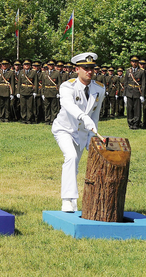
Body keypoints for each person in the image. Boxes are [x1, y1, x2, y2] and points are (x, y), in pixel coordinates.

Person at [51, 52, 105, 212]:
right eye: (86, 68)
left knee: (74, 166)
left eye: (92, 68)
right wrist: (83, 116)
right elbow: (69, 106)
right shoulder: (68, 86)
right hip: (64, 129)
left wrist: (91, 135)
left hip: (82, 133)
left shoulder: (99, 89)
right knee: (71, 157)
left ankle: (73, 202)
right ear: (77, 69)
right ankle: (67, 200)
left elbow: (95, 114)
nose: (90, 71)